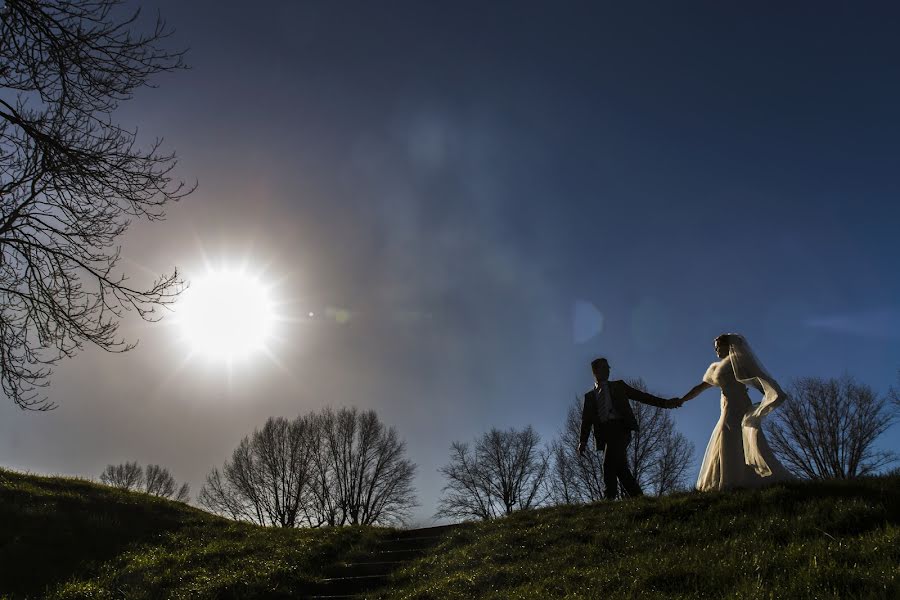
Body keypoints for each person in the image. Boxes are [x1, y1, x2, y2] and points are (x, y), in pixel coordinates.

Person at [678, 333, 793, 491]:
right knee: (726, 434)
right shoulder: (715, 368)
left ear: (729, 345)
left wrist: (772, 394)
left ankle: (746, 478)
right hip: (726, 407)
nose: (717, 349)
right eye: (716, 347)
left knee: (740, 434)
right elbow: (701, 387)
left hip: (741, 405)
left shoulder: (741, 361)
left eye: (720, 345)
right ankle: (729, 480)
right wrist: (682, 399)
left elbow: (761, 379)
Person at [577, 357, 681, 500]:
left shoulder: (618, 386)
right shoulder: (589, 397)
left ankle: (608, 499)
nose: (608, 369)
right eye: (604, 367)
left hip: (620, 429)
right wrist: (582, 441)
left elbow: (642, 397)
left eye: (608, 367)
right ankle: (639, 498)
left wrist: (665, 403)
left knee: (608, 464)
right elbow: (586, 420)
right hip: (604, 434)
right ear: (595, 371)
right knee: (620, 469)